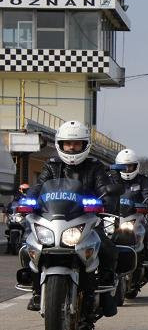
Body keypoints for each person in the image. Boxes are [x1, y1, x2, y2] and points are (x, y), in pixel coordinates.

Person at [24, 121, 120, 315]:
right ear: (60, 145)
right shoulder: (51, 166)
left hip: (85, 220)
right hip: (55, 219)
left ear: (85, 145)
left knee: (107, 247)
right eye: (68, 144)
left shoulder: (95, 167)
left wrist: (106, 197)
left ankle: (107, 289)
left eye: (76, 144)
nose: (72, 148)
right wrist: (29, 199)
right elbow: (40, 186)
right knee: (28, 245)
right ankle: (35, 290)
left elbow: (105, 188)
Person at [113, 148, 148, 283]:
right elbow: (104, 193)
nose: (127, 169)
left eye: (130, 166)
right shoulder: (112, 179)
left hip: (136, 216)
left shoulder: (142, 180)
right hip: (114, 216)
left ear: (136, 166)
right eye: (123, 167)